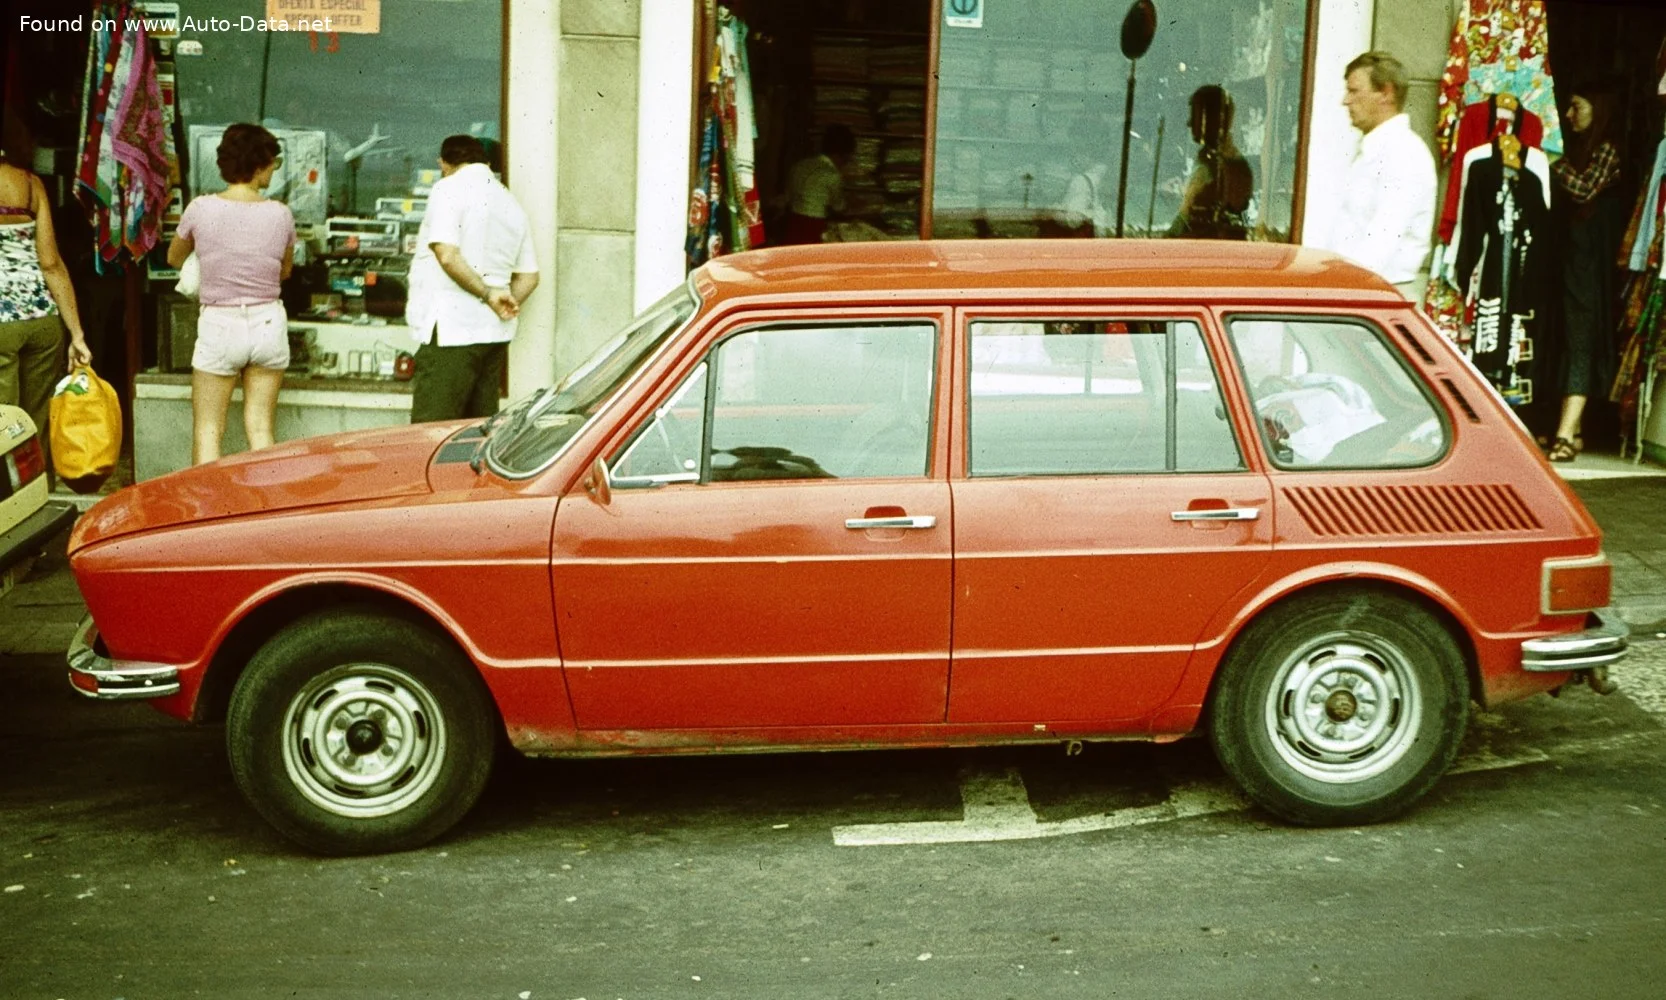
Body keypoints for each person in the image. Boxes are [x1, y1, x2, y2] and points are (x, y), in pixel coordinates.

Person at [168, 124, 297, 465]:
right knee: (260, 429)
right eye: (273, 163)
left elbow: (173, 257)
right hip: (268, 320)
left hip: (220, 323)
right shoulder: (280, 214)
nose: (273, 170)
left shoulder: (200, 208)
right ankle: (266, 513)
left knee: (209, 430)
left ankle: (209, 516)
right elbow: (285, 271)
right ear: (259, 165)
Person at [405, 134, 538, 423]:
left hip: (453, 330)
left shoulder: (448, 188)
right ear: (485, 163)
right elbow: (529, 276)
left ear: (444, 163)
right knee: (475, 433)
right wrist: (504, 301)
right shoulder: (510, 202)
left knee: (432, 432)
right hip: (494, 333)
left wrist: (488, 295)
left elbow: (448, 255)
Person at [0, 145, 94, 465]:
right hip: (43, 319)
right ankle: (40, 493)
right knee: (36, 422)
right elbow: (51, 264)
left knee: (4, 423)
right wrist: (77, 334)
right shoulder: (30, 185)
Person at [1545, 88, 1625, 463]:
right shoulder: (1580, 151)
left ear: (1599, 107)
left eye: (1578, 106)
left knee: (1580, 338)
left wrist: (1550, 159)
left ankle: (1565, 433)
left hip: (1591, 265)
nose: (1568, 113)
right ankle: (1572, 431)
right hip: (1574, 262)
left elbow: (1583, 189)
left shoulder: (1605, 150)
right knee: (1570, 335)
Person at [1318, 52, 1438, 297]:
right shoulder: (1374, 149)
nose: (1345, 101)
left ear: (1386, 93)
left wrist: (1334, 295)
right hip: (1357, 292)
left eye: (1354, 91)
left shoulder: (1404, 154)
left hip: (1376, 297)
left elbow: (1379, 244)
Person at [1169, 85, 1254, 240]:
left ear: (1210, 119)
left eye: (1195, 115)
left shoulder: (1218, 168)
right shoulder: (1230, 163)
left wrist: (1166, 239)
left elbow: (1185, 217)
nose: (1189, 123)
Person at [781, 125, 854, 245]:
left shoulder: (800, 165)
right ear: (843, 155)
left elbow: (788, 194)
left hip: (792, 222)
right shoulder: (832, 174)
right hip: (814, 226)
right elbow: (839, 207)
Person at [1056, 136, 1112, 238]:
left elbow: (1074, 220)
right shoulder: (1107, 174)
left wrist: (1055, 213)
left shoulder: (1081, 181)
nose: (1075, 159)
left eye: (1078, 153)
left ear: (1089, 156)